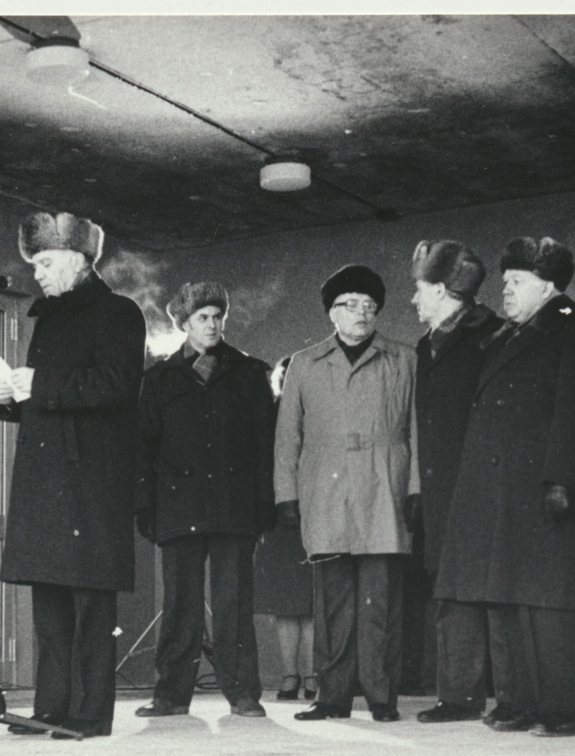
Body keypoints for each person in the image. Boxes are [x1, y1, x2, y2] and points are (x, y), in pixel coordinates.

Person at [0, 211, 146, 740]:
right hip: (48, 478)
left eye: (46, 261)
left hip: (90, 482)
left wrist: (41, 383)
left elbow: (116, 386)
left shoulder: (119, 314)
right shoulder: (50, 317)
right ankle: (50, 707)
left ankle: (89, 712)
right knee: (51, 605)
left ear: (79, 261)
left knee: (88, 606)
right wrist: (12, 400)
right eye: (35, 262)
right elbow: (54, 395)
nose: (36, 272)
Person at [435, 237, 575, 736]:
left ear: (547, 285)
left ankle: (565, 709)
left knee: (548, 603)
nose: (505, 290)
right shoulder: (507, 335)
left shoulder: (573, 329)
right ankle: (517, 702)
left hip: (540, 485)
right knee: (505, 596)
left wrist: (560, 478)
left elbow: (573, 408)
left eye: (517, 282)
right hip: (500, 487)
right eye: (505, 281)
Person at [274, 265, 419, 723]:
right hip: (325, 492)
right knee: (331, 605)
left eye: (370, 306)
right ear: (332, 313)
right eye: (352, 304)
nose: (363, 313)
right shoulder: (304, 363)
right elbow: (286, 437)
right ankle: (332, 696)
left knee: (380, 603)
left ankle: (381, 696)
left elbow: (418, 429)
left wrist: (415, 488)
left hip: (384, 490)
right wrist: (286, 496)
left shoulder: (404, 359)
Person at [133, 282, 276, 719]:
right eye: (202, 317)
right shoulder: (158, 379)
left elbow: (264, 446)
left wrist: (263, 507)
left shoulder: (251, 373)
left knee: (235, 604)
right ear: (184, 323)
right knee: (180, 604)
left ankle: (244, 694)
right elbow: (144, 448)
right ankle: (171, 696)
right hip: (178, 507)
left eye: (217, 316)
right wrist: (146, 508)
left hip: (235, 507)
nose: (212, 324)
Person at [404, 240, 502, 725]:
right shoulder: (427, 344)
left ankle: (511, 696)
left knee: (495, 588)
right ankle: (459, 695)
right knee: (450, 590)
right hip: (442, 490)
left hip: (484, 483)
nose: (414, 300)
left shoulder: (494, 336)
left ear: (442, 290)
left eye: (420, 290)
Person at [254, 356, 316, 701]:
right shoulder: (269, 414)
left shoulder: (321, 413)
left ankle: (311, 675)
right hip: (279, 517)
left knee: (311, 600)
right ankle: (291, 675)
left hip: (316, 512)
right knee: (286, 602)